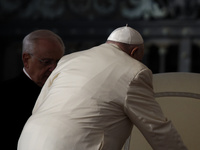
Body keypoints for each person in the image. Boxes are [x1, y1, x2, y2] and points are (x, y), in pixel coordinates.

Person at [18, 26, 187, 150]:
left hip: (28, 140)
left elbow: (39, 107)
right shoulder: (135, 71)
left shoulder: (69, 59)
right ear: (135, 52)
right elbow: (157, 128)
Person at [1, 29, 65, 150]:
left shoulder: (63, 92)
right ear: (26, 59)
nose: (54, 69)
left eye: (58, 63)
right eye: (46, 62)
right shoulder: (5, 94)